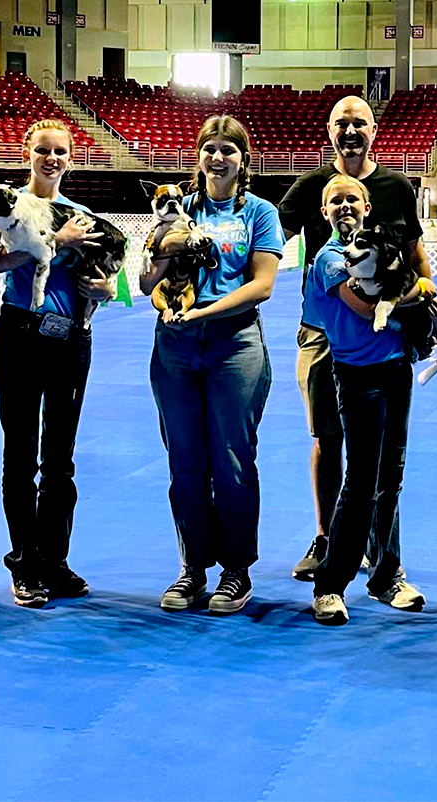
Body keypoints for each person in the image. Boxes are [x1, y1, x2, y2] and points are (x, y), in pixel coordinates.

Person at [277, 94, 433, 583]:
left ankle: (379, 551)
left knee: (386, 453)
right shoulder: (308, 188)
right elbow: (261, 240)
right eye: (341, 123)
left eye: (359, 122)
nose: (350, 130)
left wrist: (427, 319)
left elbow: (415, 255)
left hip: (385, 334)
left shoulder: (395, 187)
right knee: (328, 437)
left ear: (373, 131)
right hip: (323, 334)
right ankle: (327, 539)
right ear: (328, 131)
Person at [143, 115, 284, 616]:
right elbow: (145, 280)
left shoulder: (260, 213)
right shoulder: (176, 209)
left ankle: (236, 570)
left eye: (228, 149)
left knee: (231, 460)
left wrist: (206, 310)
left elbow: (262, 284)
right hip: (175, 343)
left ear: (243, 159)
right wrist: (162, 267)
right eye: (209, 148)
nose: (217, 157)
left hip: (234, 342)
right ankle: (192, 569)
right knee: (184, 462)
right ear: (197, 155)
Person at [0, 118, 115, 609]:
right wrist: (56, 242)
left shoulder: (82, 214)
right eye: (43, 150)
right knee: (20, 454)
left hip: (71, 339)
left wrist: (106, 290)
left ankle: (53, 563)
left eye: (61, 151)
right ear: (27, 152)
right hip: (21, 335)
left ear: (71, 158)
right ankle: (24, 563)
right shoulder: (7, 206)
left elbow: (104, 276)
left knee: (59, 459)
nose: (52, 159)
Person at [309, 174, 431, 625]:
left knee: (391, 477)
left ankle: (385, 576)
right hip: (357, 375)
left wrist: (411, 289)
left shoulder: (379, 249)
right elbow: (366, 304)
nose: (344, 206)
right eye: (335, 201)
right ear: (324, 213)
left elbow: (405, 281)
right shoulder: (327, 258)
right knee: (361, 482)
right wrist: (415, 290)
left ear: (366, 208)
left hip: (396, 368)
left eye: (352, 200)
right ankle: (330, 584)